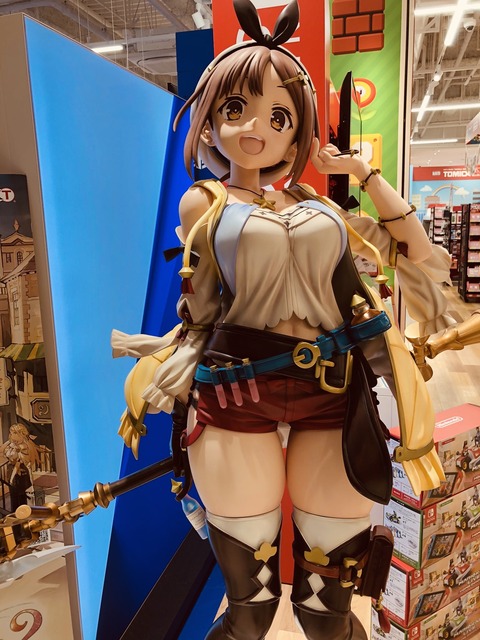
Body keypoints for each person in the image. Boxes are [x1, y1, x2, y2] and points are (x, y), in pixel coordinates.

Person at [112, 1, 452, 638]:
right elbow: (206, 303)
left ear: (297, 136)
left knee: (326, 612)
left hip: (333, 393)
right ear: (210, 120)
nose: (254, 130)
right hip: (236, 394)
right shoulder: (204, 202)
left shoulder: (316, 205)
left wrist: (362, 173)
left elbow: (412, 249)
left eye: (278, 117)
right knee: (252, 609)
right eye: (235, 109)